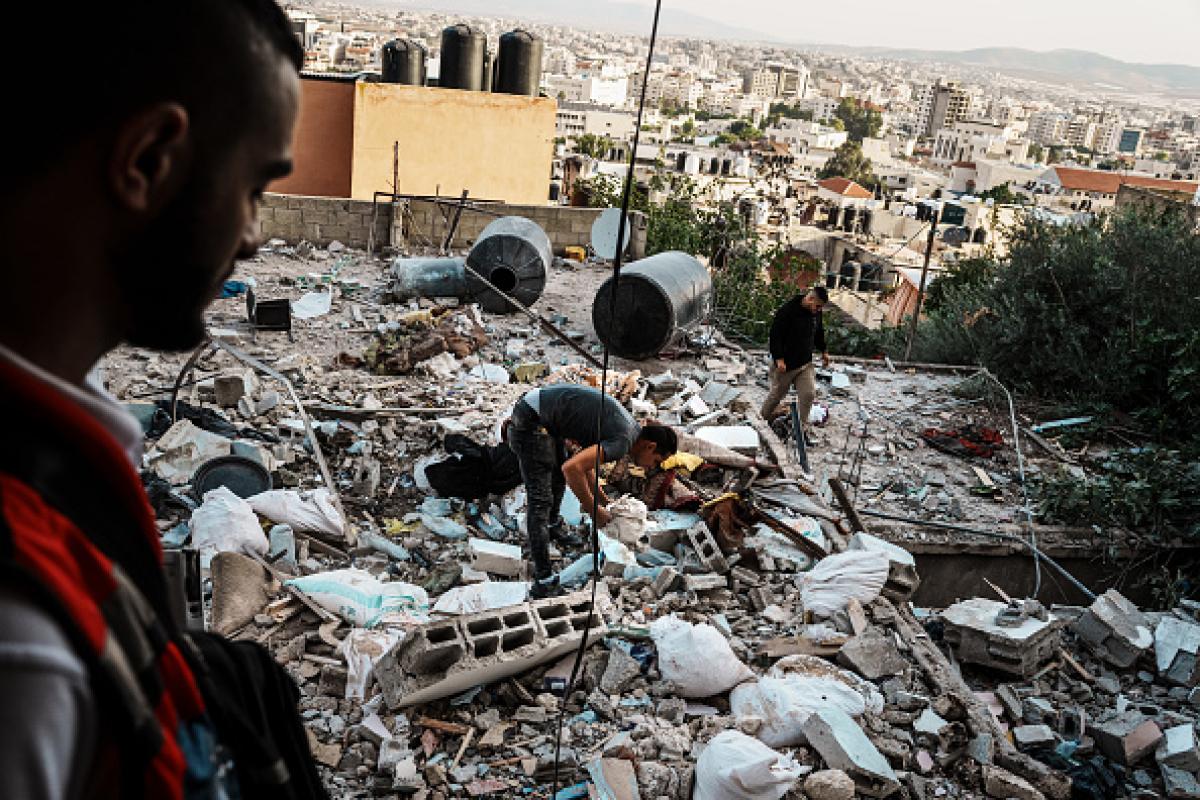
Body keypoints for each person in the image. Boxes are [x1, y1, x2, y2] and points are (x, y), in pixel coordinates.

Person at [0, 3, 317, 798]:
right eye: (252, 188)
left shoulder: (61, 454)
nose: (251, 237)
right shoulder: (25, 646)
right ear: (146, 159)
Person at [506, 385, 678, 597]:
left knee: (557, 478)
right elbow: (573, 469)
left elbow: (585, 466)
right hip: (531, 419)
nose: (651, 467)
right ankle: (544, 580)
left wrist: (604, 502)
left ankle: (552, 526)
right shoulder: (623, 442)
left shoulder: (631, 431)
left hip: (545, 412)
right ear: (650, 446)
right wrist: (592, 508)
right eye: (656, 461)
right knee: (540, 500)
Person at [760, 286, 832, 441]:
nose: (818, 310)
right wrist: (779, 359)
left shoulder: (816, 313)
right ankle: (760, 423)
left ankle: (799, 430)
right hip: (786, 365)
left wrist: (824, 351)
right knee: (776, 396)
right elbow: (775, 335)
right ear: (810, 299)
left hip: (805, 364)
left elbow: (819, 332)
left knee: (808, 394)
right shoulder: (788, 311)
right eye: (817, 306)